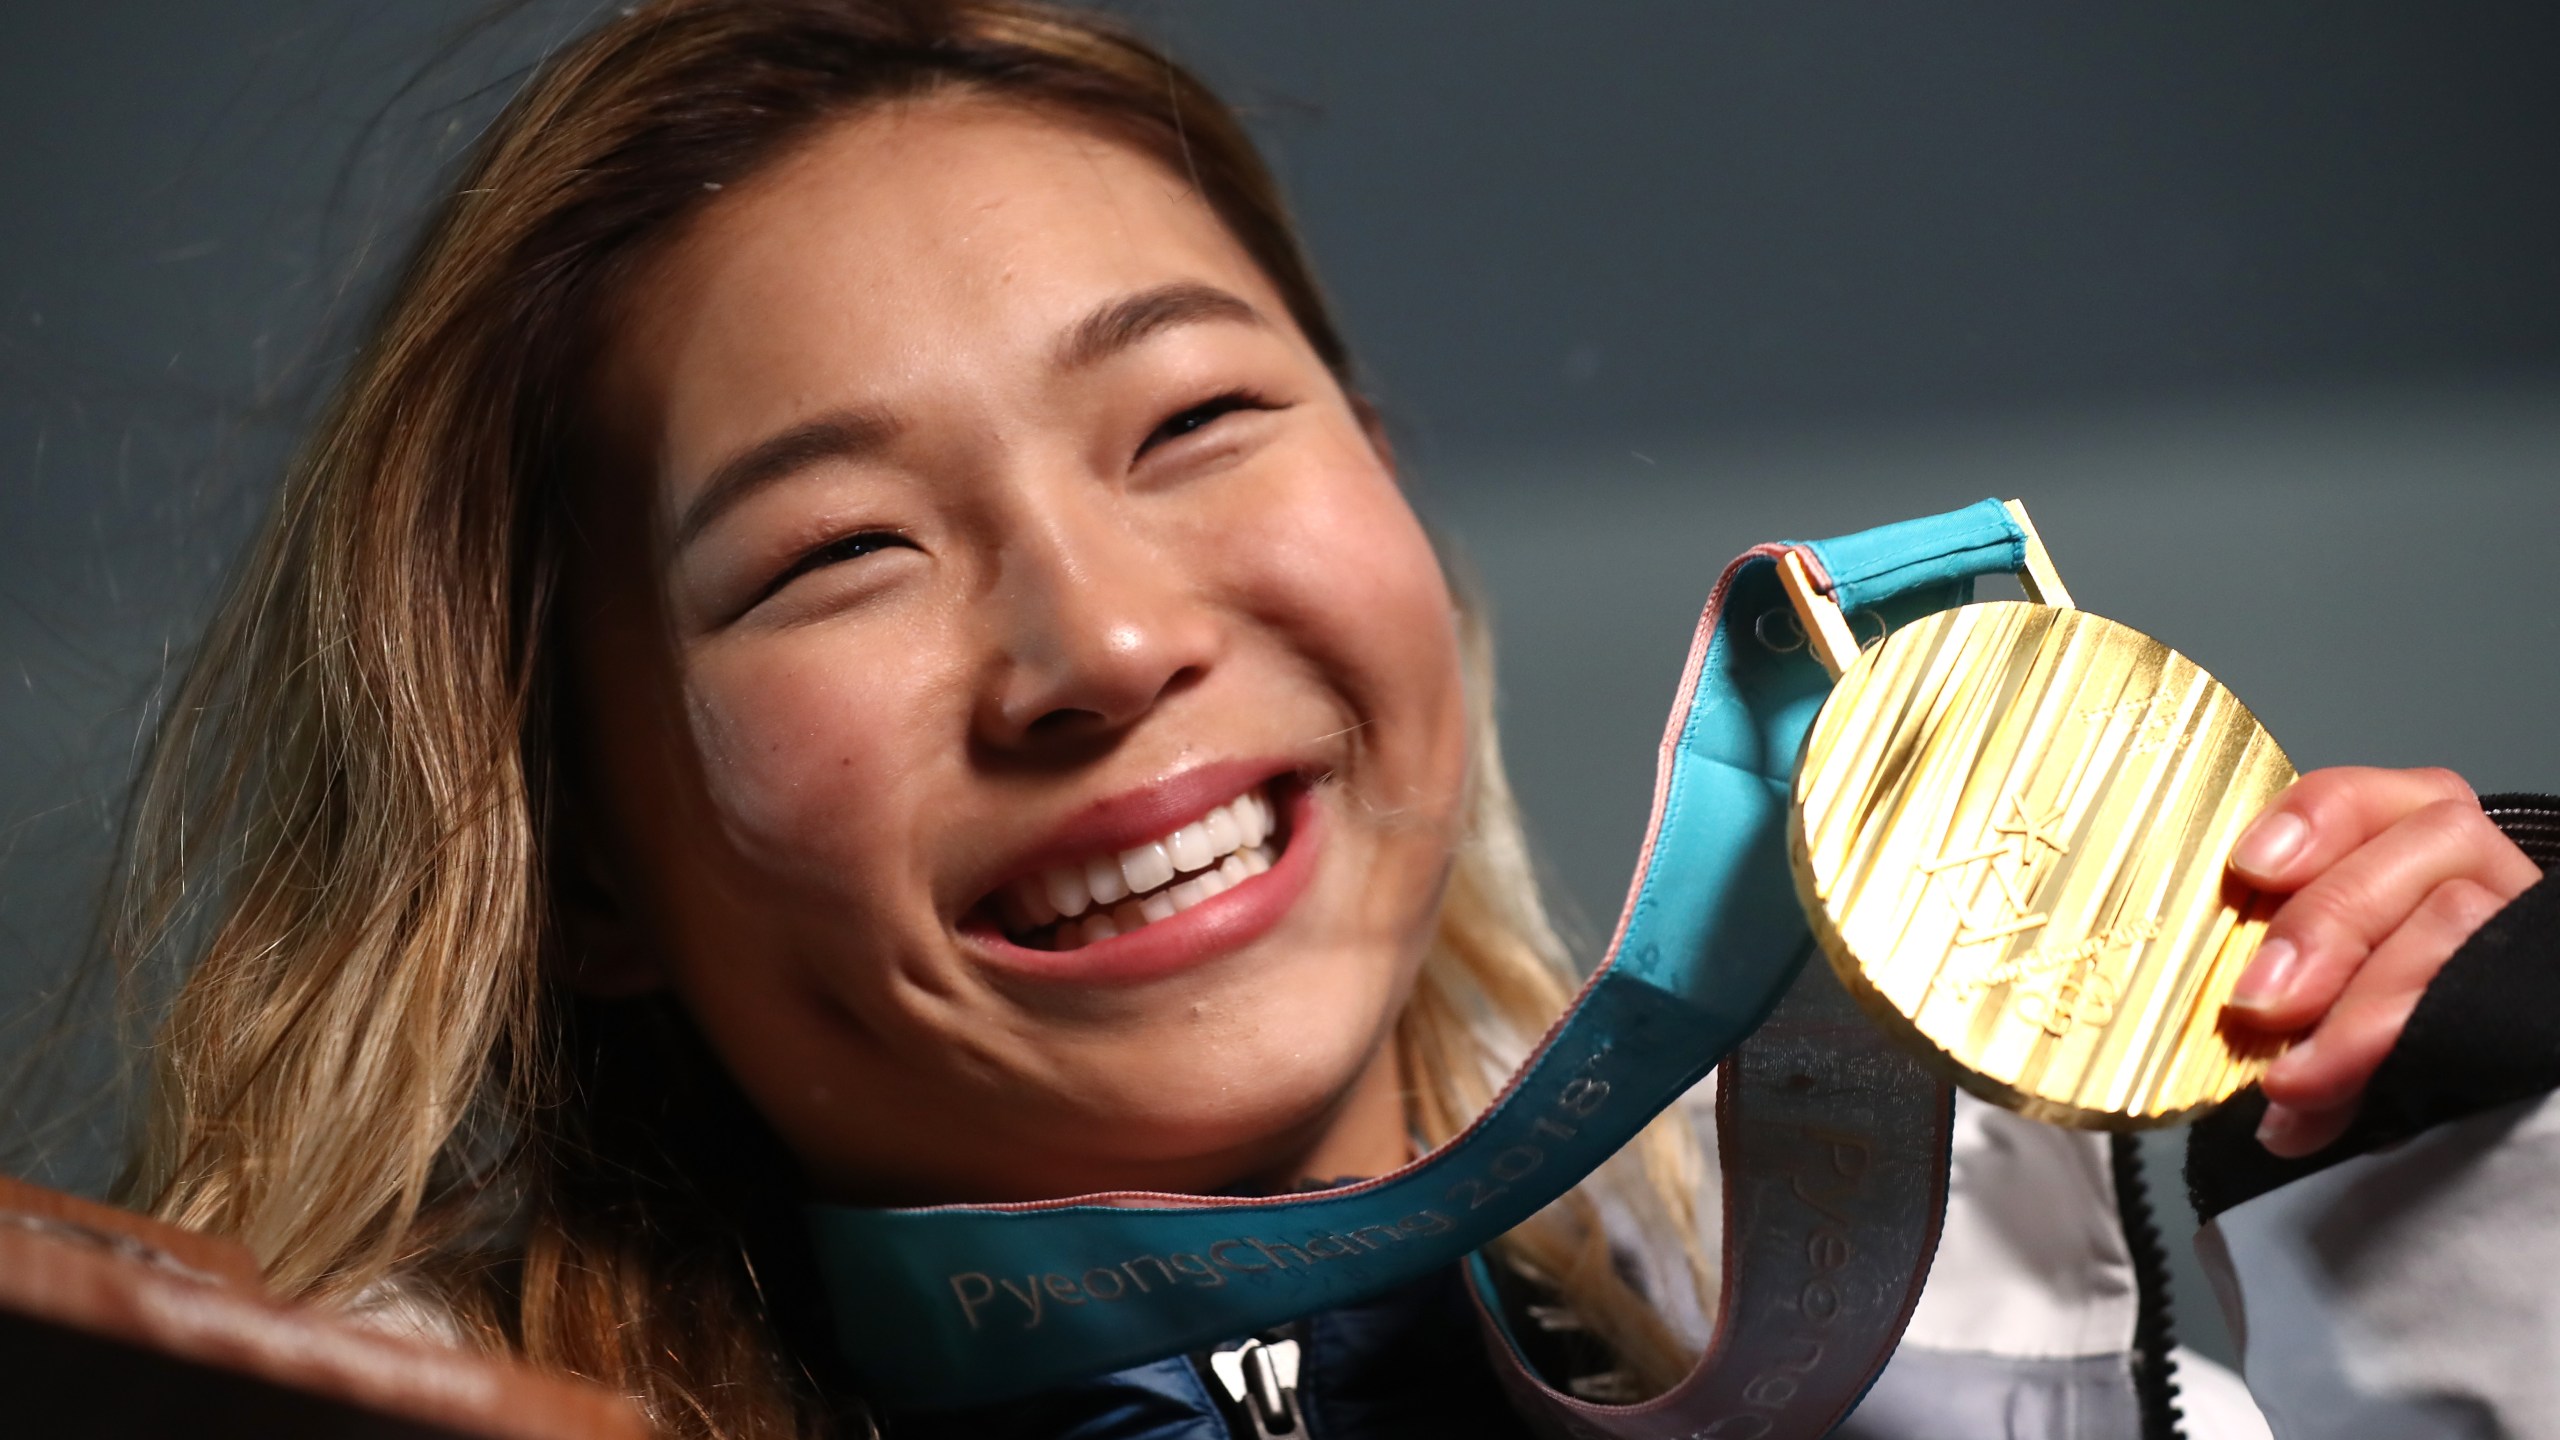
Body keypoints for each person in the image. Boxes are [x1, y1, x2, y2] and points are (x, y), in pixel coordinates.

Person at [96, 2, 2555, 1436]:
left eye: (1190, 424)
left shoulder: (1998, 1344)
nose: (1102, 648)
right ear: (590, 853)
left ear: (1387, 498)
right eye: (837, 554)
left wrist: (2499, 1165)